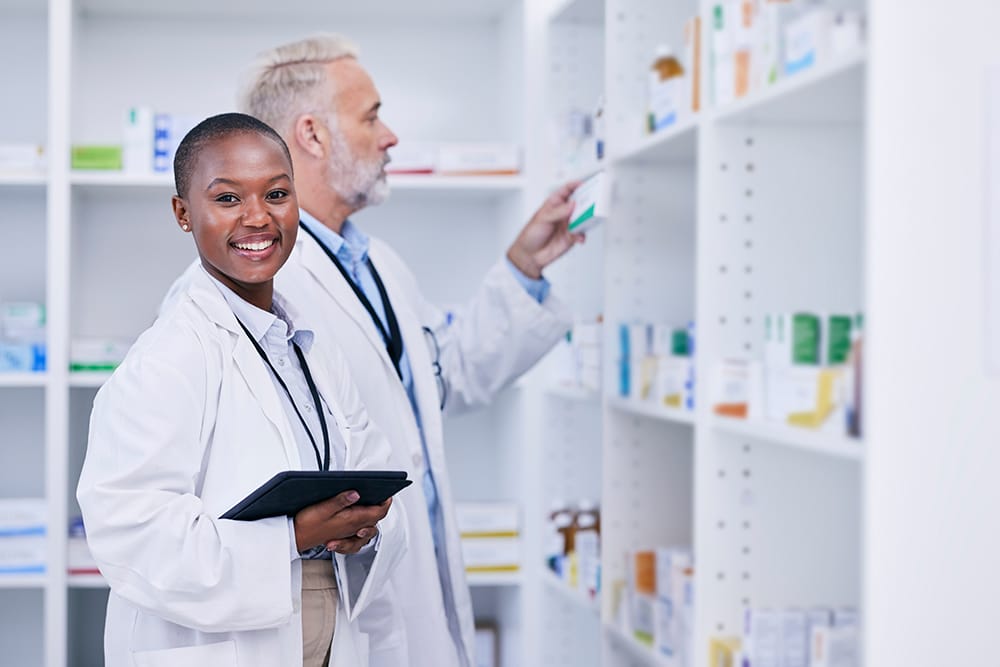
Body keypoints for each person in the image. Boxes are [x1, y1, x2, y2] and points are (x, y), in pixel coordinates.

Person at [77, 112, 406, 667]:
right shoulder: (167, 359)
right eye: (227, 199)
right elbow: (129, 532)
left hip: (328, 624)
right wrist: (291, 537)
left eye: (277, 193)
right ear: (184, 214)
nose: (258, 218)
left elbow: (370, 465)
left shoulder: (310, 349)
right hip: (221, 643)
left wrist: (362, 529)